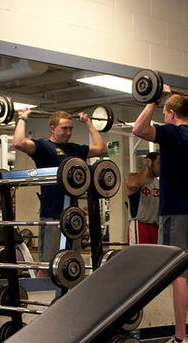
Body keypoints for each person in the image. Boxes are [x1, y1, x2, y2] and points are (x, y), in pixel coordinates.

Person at [132, 86, 188, 343]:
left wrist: (152, 100)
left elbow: (138, 129)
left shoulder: (170, 132)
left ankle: (179, 338)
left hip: (174, 213)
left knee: (177, 275)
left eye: (165, 112)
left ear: (170, 114)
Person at [11, 107, 105, 273]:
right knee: (47, 267)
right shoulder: (43, 147)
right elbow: (18, 142)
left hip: (73, 217)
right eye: (64, 128)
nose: (68, 132)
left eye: (71, 128)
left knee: (72, 264)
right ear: (53, 129)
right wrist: (23, 118)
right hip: (52, 215)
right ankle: (44, 299)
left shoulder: (74, 149)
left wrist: (89, 124)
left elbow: (101, 149)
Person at [125, 151, 160, 244]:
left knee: (156, 257)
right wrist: (146, 167)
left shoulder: (159, 183)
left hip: (155, 226)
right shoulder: (133, 177)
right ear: (150, 162)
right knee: (139, 256)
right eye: (159, 163)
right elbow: (134, 185)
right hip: (140, 225)